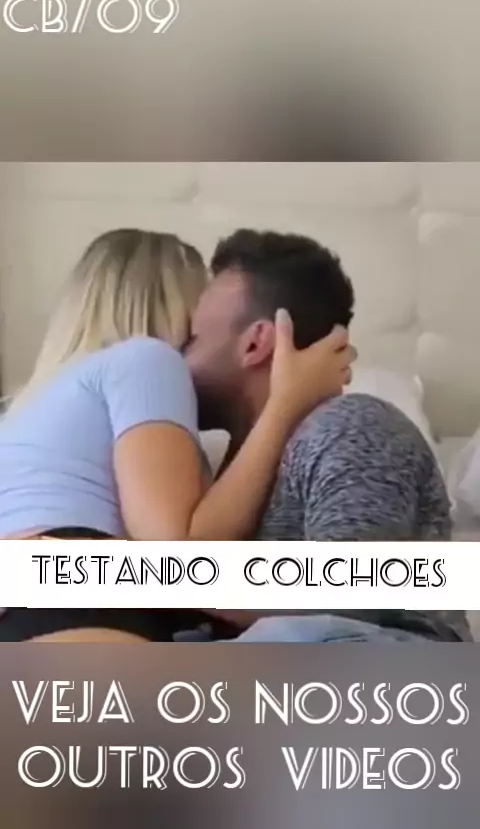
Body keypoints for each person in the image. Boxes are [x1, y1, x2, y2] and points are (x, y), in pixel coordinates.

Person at [0, 228, 354, 642]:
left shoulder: (31, 409)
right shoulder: (147, 359)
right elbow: (179, 559)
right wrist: (285, 404)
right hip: (76, 603)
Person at [183, 228, 471, 643]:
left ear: (255, 344)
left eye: (191, 340)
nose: (174, 360)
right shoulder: (231, 470)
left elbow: (346, 598)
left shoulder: (352, 426)